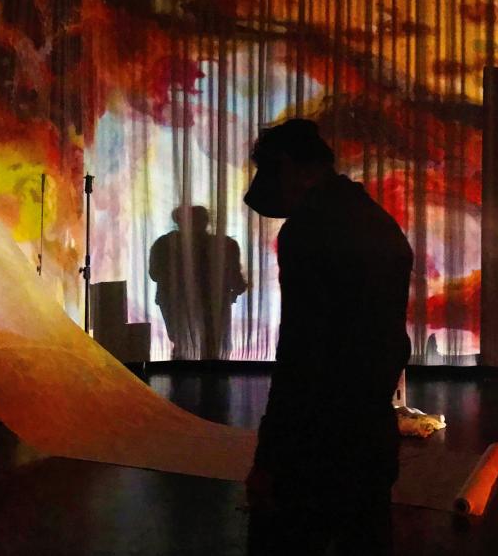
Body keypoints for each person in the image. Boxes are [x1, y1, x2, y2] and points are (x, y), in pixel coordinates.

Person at [243, 119, 413, 556]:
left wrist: (269, 457)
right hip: (370, 430)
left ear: (289, 167)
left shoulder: (308, 229)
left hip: (316, 439)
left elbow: (300, 350)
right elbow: (391, 340)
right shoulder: (378, 221)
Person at [149, 205, 247, 360]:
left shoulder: (163, 244)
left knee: (182, 346)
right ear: (206, 222)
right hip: (212, 304)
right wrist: (235, 289)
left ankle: (181, 372)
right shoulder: (225, 245)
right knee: (212, 347)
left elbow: (154, 274)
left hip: (174, 303)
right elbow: (237, 282)